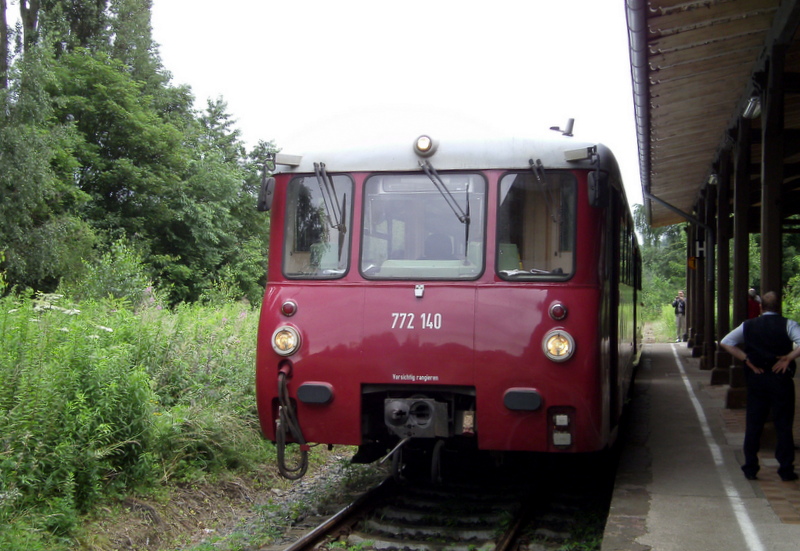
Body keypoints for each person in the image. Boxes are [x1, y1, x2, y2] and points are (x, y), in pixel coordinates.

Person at [719, 291, 800, 481]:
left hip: (757, 377)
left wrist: (746, 359)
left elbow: (726, 342)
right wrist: (788, 358)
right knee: (784, 424)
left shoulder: (748, 325)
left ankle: (750, 467)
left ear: (761, 307)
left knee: (754, 423)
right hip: (781, 379)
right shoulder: (788, 324)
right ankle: (786, 469)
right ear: (779, 307)